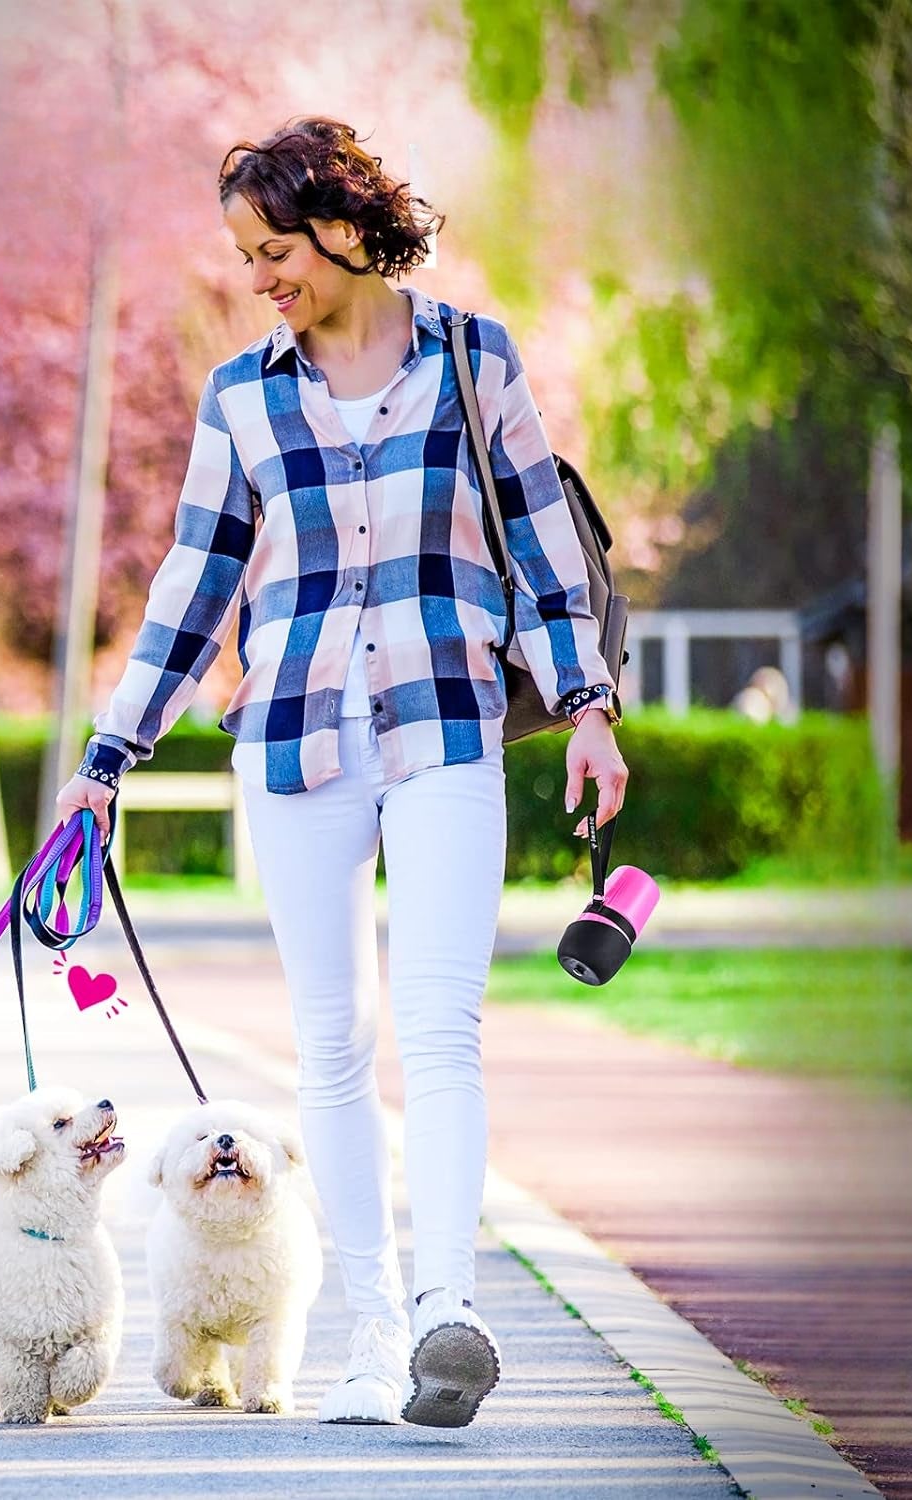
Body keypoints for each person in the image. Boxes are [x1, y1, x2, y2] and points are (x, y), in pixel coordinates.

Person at [55, 117, 628, 1426]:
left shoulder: (475, 360)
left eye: (276, 250)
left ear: (348, 227)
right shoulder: (245, 395)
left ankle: (445, 1312)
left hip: (445, 726)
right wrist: (111, 749)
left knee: (441, 1028)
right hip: (298, 742)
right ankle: (369, 1328)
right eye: (245, 257)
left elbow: (545, 550)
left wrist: (588, 705)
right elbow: (194, 582)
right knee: (333, 1045)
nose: (261, 277)